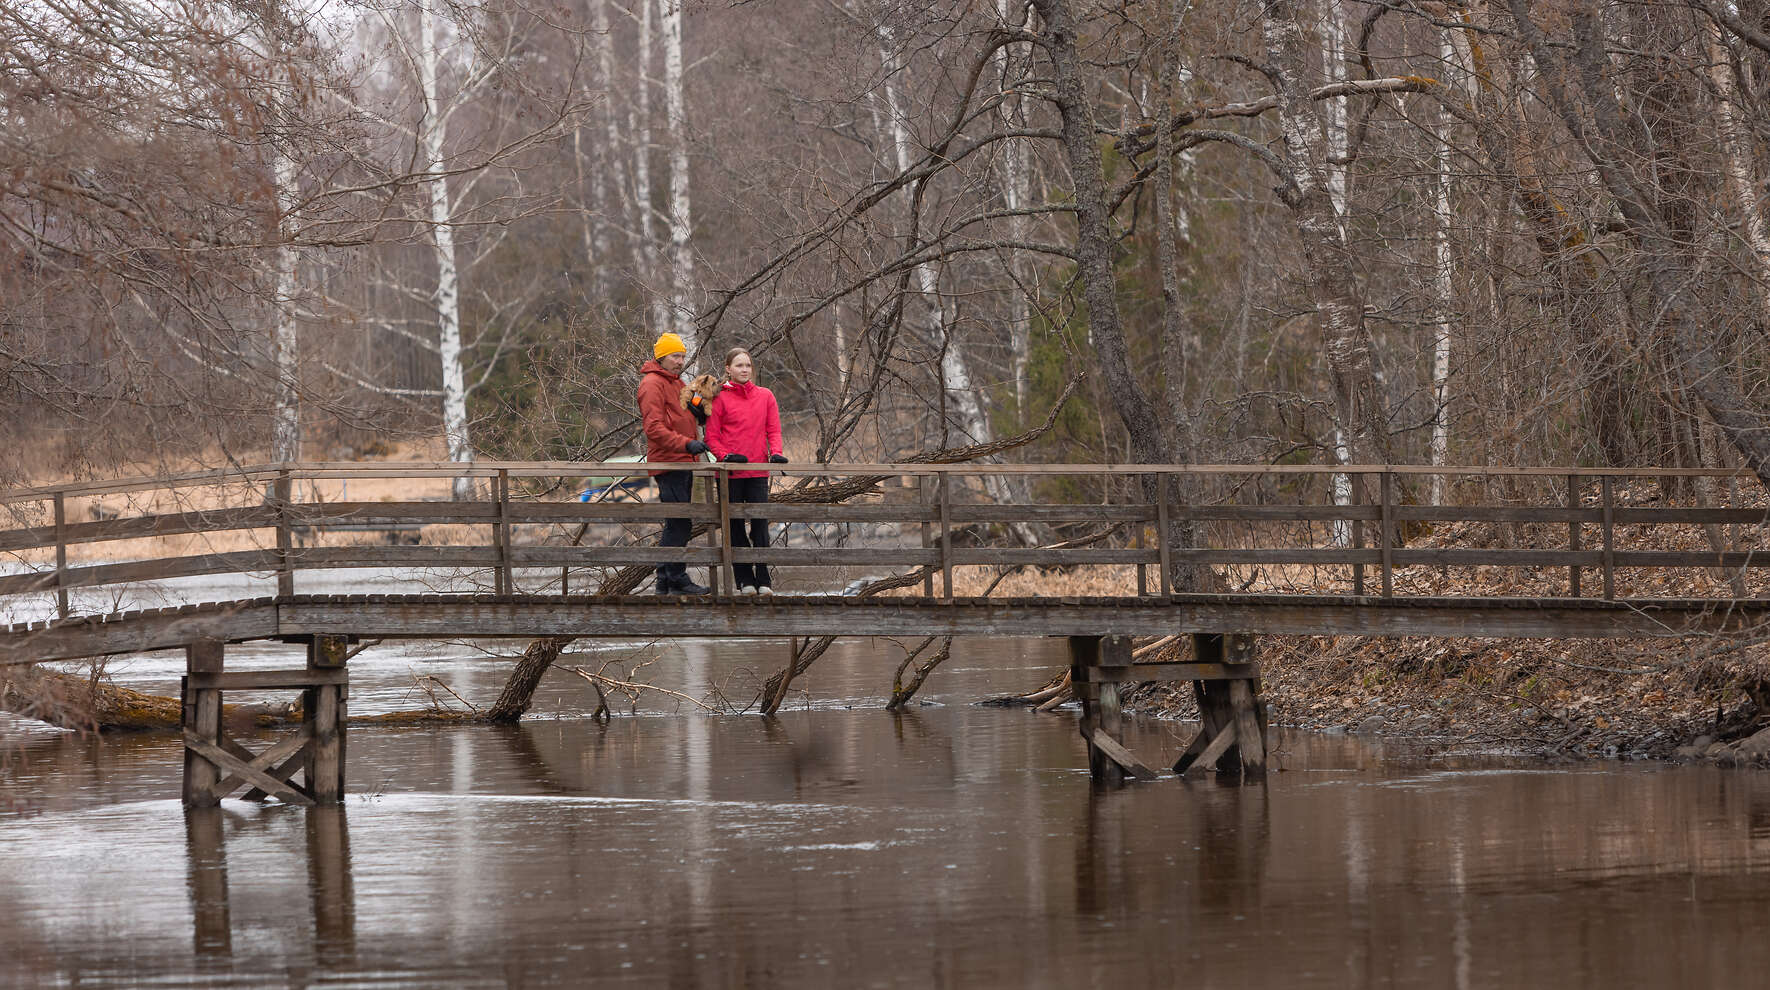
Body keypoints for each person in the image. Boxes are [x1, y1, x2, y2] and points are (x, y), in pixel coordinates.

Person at [704, 347, 787, 594]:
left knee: (760, 526)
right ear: (728, 369)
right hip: (729, 473)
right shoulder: (719, 397)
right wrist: (725, 457)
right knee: (735, 527)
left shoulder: (765, 396)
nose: (744, 369)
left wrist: (776, 452)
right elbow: (711, 437)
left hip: (757, 471)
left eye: (748, 365)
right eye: (739, 365)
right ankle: (744, 580)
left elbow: (773, 430)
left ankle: (764, 579)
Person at [637, 332, 710, 595]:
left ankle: (665, 581)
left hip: (685, 462)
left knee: (678, 522)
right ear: (661, 357)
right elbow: (654, 428)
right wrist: (686, 444)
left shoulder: (678, 383)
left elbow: (693, 407)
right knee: (679, 522)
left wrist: (701, 411)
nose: (680, 361)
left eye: (682, 356)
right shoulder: (652, 384)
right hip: (670, 463)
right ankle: (676, 578)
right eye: (675, 356)